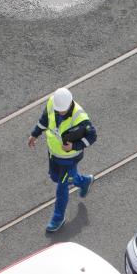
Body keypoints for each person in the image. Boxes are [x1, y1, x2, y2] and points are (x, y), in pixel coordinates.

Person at [29, 87, 97, 233]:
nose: (59, 112)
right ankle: (84, 181)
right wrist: (34, 134)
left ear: (70, 104)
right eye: (58, 110)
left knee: (62, 187)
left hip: (69, 158)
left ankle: (58, 218)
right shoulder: (53, 103)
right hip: (54, 153)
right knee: (55, 177)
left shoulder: (80, 117)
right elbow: (44, 120)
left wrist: (74, 146)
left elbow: (92, 137)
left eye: (62, 110)